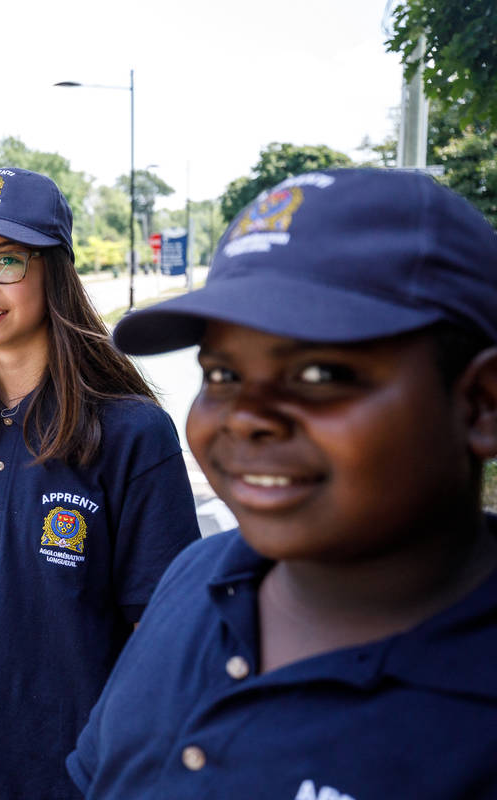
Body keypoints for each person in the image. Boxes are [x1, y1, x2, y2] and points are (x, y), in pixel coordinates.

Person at [66, 168, 497, 799]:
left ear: (481, 404)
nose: (245, 415)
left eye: (320, 373)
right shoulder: (197, 577)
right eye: (221, 375)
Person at [0, 167, 201, 800]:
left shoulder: (133, 432)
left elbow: (160, 638)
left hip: (79, 779)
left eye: (6, 261)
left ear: (54, 269)